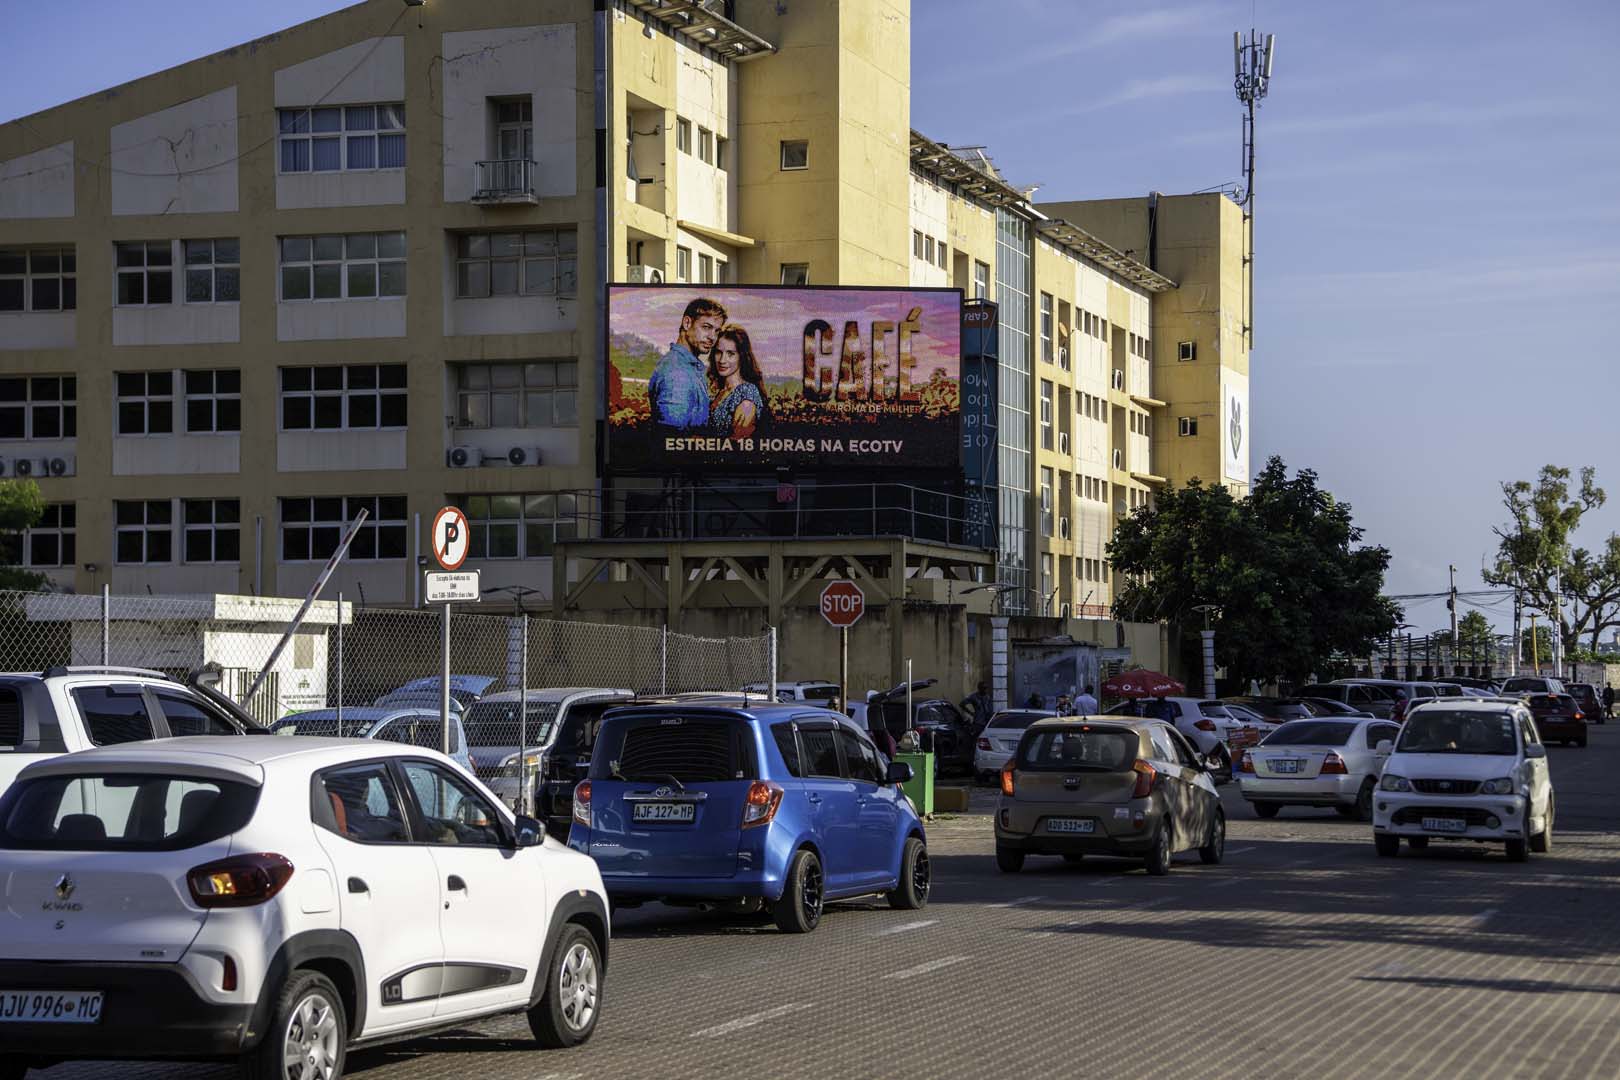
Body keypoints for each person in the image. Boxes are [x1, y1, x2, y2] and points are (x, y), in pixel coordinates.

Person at [648, 296, 726, 429]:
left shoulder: (685, 366)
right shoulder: (677, 373)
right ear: (687, 323)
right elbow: (673, 439)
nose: (712, 337)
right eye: (706, 327)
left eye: (716, 331)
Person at [707, 323, 768, 439]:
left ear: (742, 356)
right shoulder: (719, 393)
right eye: (719, 352)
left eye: (730, 354)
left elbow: (737, 445)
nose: (722, 360)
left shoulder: (747, 394)